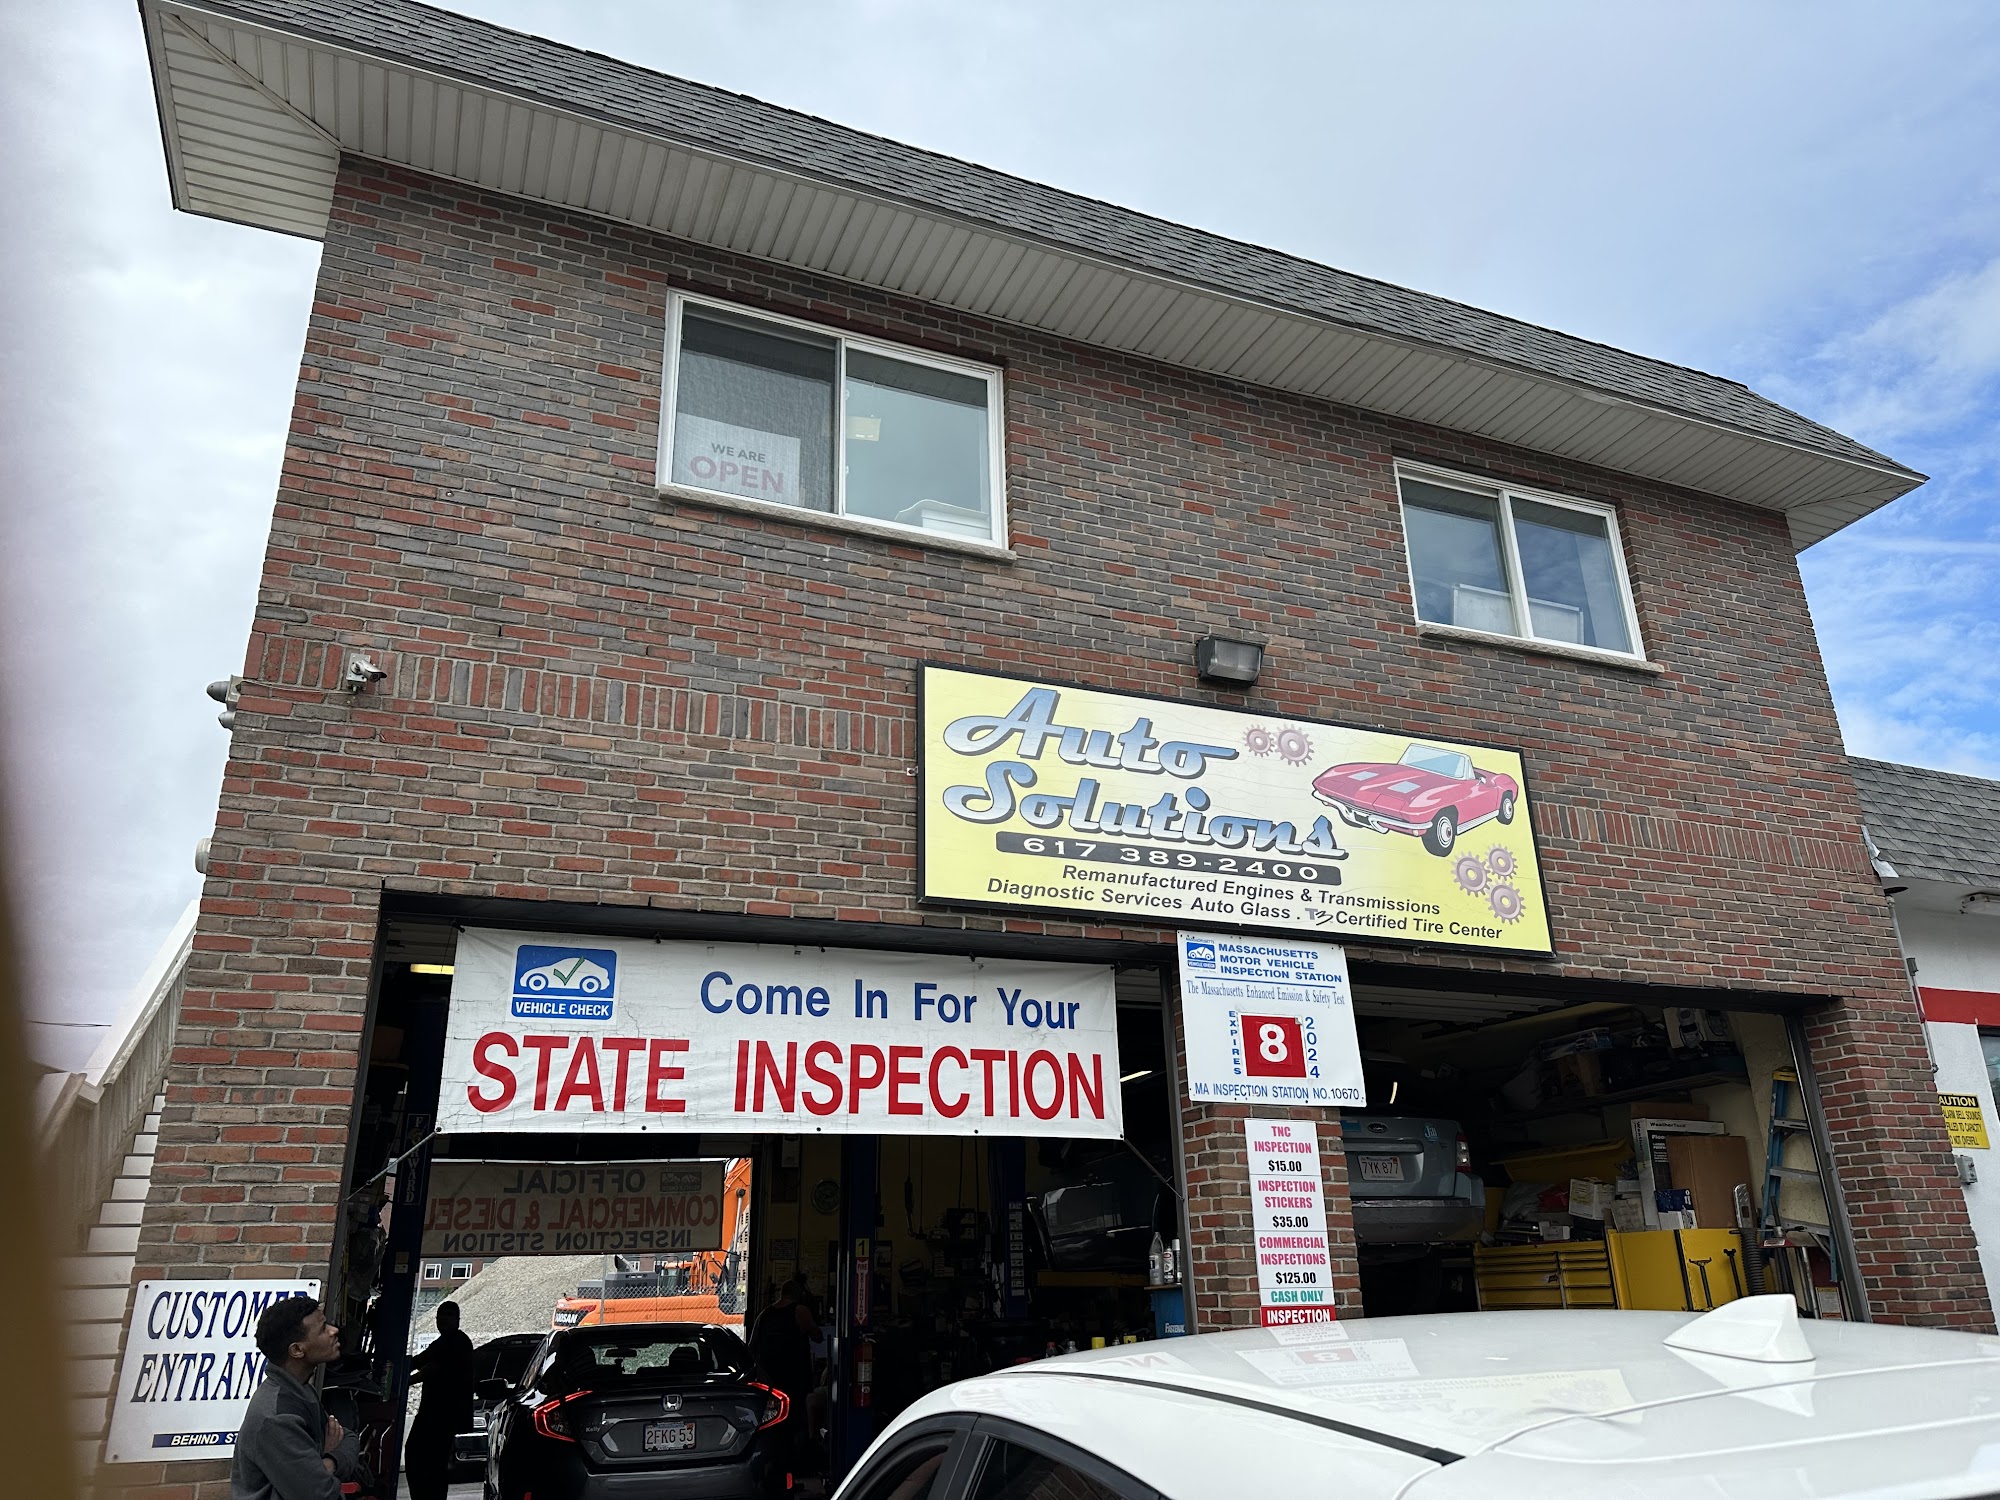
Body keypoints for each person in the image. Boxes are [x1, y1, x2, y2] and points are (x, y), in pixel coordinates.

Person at [233, 1296, 360, 1500]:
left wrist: (327, 1463)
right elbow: (321, 1494)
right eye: (322, 1329)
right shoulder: (276, 1417)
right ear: (297, 1350)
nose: (334, 1330)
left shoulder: (301, 1391)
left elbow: (350, 1438)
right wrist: (323, 1464)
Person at [404, 1299, 477, 1500]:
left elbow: (433, 1368)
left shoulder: (459, 1342)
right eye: (440, 1316)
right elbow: (421, 1360)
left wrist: (407, 1380)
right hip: (436, 1414)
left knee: (423, 1457)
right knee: (428, 1460)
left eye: (448, 1315)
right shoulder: (442, 1342)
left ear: (458, 1320)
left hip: (442, 1415)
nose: (443, 1319)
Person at [748, 1276, 817, 1468]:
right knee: (797, 1422)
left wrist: (761, 1372)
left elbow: (751, 1347)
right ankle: (795, 1466)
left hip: (771, 1380)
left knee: (774, 1423)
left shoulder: (764, 1314)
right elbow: (817, 1335)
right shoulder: (800, 1311)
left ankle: (775, 1465)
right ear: (798, 1294)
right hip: (796, 1377)